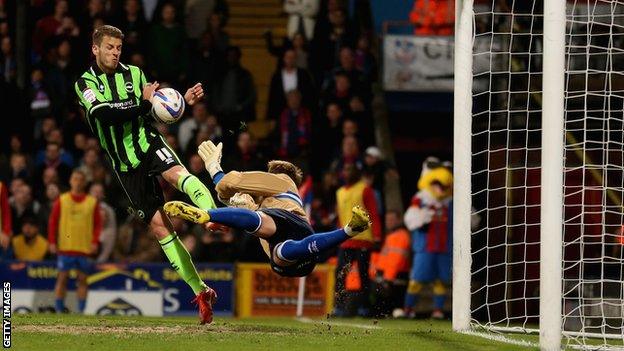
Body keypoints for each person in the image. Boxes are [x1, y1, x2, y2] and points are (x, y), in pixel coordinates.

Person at [73, 25, 217, 323]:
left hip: (147, 143)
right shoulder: (85, 83)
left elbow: (154, 111)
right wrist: (143, 102)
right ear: (95, 49)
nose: (114, 53)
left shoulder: (135, 75)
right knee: (161, 228)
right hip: (124, 165)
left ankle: (214, 216)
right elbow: (104, 114)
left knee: (178, 175)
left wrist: (180, 102)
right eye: (109, 47)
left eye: (118, 48)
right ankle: (201, 290)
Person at [164, 140, 372, 278]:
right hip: (285, 257)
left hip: (290, 226)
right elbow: (229, 199)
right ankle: (349, 230)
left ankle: (206, 214)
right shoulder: (258, 201)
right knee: (273, 236)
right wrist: (226, 195)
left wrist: (214, 168)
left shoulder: (282, 181)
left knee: (260, 221)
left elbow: (233, 181)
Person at [48, 170, 101, 313]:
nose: (77, 182)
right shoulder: (62, 199)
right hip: (65, 248)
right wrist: (52, 242)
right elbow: (53, 222)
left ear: (84, 182)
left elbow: (98, 225)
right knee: (62, 280)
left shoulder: (92, 202)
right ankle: (59, 311)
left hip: (84, 249)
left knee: (83, 281)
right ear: (70, 181)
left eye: (80, 179)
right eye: (75, 179)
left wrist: (95, 242)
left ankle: (81, 311)